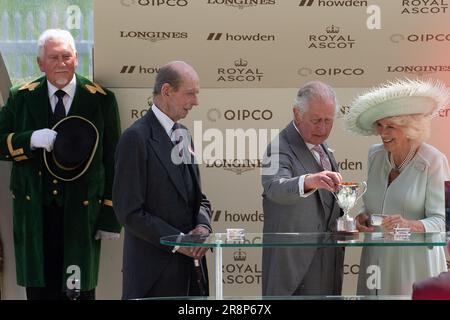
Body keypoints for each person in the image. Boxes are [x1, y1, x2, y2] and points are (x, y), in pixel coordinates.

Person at [0, 29, 122, 300]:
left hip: (81, 215)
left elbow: (114, 160)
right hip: (35, 214)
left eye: (67, 56)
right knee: (39, 291)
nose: (61, 63)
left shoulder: (100, 99)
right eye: (53, 57)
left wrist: (110, 216)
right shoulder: (21, 97)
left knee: (77, 290)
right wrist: (29, 139)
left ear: (77, 59)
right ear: (40, 63)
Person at [113, 60, 212, 299]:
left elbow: (198, 198)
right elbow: (129, 211)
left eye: (196, 94)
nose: (196, 102)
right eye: (190, 94)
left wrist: (203, 226)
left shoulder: (184, 135)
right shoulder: (135, 138)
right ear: (166, 91)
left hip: (191, 276)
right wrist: (179, 242)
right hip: (153, 277)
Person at [344, 78, 450, 296]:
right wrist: (363, 217)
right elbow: (376, 205)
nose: (383, 133)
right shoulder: (375, 155)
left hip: (413, 263)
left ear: (411, 128)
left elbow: (442, 221)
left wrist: (409, 224)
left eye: (391, 127)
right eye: (380, 126)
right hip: (375, 260)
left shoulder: (433, 161)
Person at [261, 81, 344, 296]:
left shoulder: (324, 148)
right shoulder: (278, 147)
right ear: (297, 114)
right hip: (293, 270)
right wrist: (308, 181)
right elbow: (274, 187)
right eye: (316, 120)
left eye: (328, 121)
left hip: (328, 263)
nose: (323, 128)